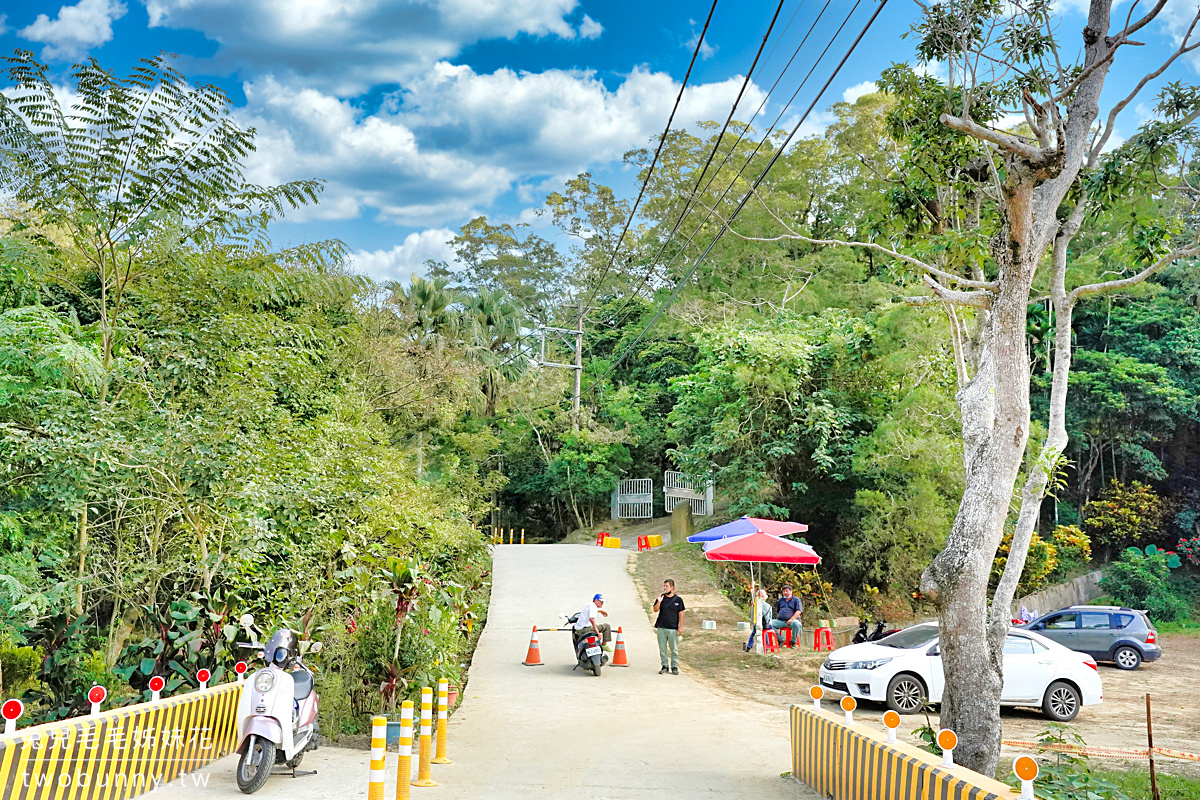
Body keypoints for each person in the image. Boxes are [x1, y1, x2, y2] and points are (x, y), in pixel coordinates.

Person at [652, 579, 685, 674]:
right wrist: (659, 601)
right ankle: (664, 665)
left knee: (673, 648)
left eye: (667, 586)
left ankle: (674, 666)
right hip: (662, 627)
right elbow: (655, 609)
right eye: (664, 586)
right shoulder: (661, 598)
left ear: (672, 587)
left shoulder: (678, 600)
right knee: (662, 648)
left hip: (673, 628)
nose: (665, 588)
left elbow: (681, 614)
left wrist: (681, 627)